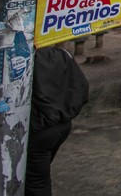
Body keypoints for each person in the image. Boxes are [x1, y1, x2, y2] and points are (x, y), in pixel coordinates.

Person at [26, 46, 89, 196]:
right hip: (62, 126)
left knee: (36, 183)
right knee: (38, 177)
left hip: (39, 130)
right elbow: (81, 85)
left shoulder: (26, 59)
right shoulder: (63, 54)